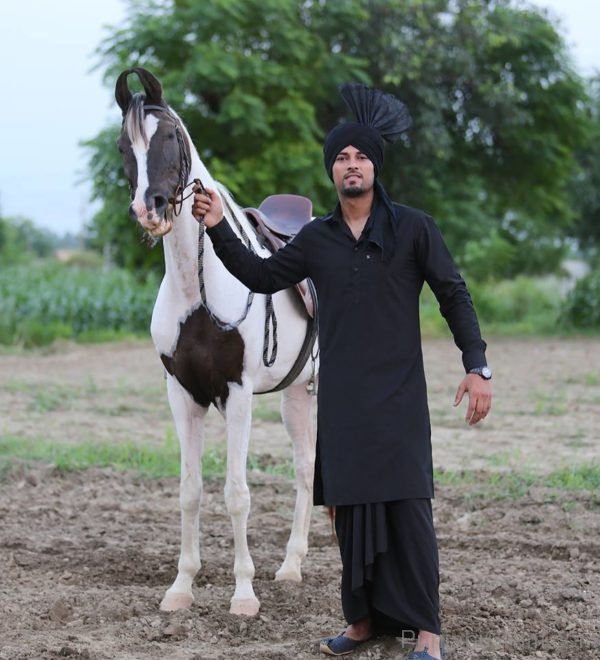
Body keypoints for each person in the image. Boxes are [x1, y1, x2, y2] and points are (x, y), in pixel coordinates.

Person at [192, 84, 492, 660]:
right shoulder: (317, 240)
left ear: (375, 165)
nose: (350, 165)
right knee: (348, 510)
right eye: (340, 157)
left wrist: (476, 365)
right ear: (331, 170)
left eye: (359, 156)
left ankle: (426, 632)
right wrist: (216, 226)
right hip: (344, 396)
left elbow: (454, 294)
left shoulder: (413, 229)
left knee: (408, 509)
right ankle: (361, 621)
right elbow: (258, 274)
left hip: (400, 395)